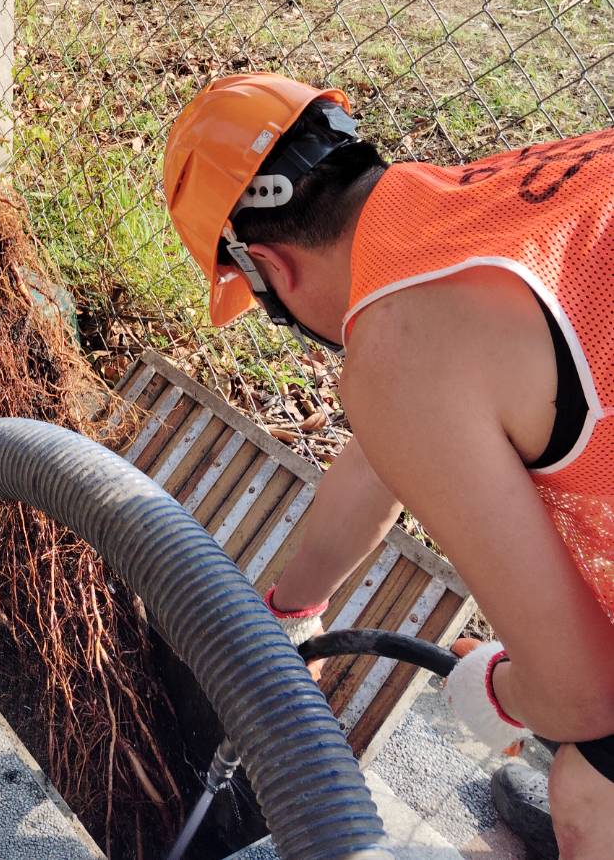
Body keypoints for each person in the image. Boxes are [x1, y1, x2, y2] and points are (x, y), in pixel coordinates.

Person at [164, 74, 614, 859]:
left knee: (588, 789)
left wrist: (501, 696)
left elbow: (582, 694)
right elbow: (386, 452)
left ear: (271, 267)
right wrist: (292, 607)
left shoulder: (400, 345)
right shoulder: (463, 205)